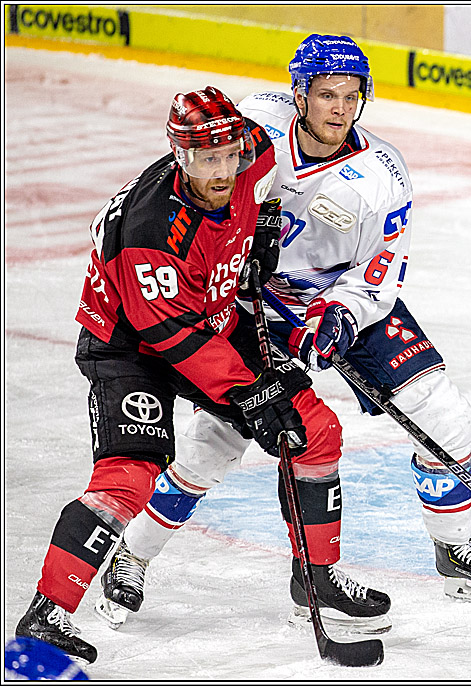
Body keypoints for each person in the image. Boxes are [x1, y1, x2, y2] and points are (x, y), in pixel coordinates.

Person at [93, 34, 471, 637]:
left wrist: (342, 314)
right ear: (299, 95)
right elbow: (192, 181)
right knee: (217, 443)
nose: (340, 109)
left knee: (444, 414)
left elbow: (382, 267)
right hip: (245, 306)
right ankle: (132, 556)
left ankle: (454, 550)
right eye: (326, 95)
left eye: (352, 96)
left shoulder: (383, 174)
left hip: (336, 301)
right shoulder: (254, 124)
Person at [13, 86, 339, 663]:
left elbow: (275, 141)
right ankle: (48, 613)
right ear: (179, 156)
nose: (222, 170)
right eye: (206, 159)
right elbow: (172, 337)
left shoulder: (248, 152)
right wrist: (250, 392)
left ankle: (316, 581)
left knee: (316, 429)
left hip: (209, 313)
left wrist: (262, 223)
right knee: (127, 479)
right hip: (131, 346)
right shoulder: (147, 231)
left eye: (229, 156)